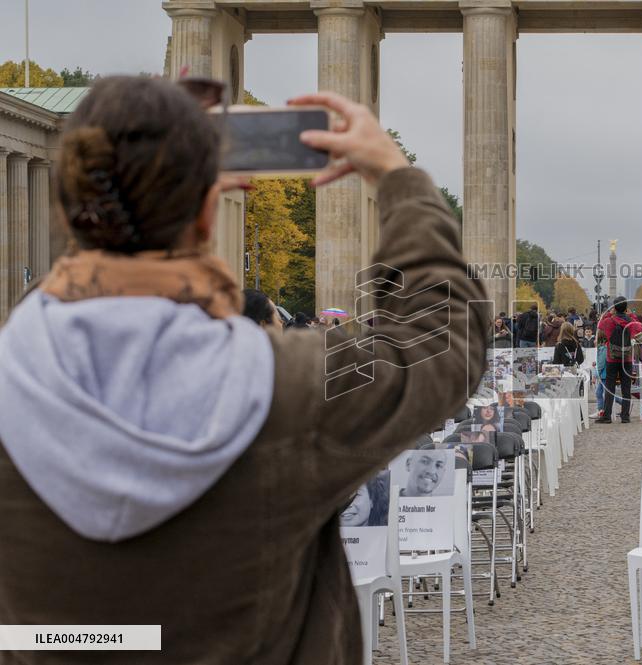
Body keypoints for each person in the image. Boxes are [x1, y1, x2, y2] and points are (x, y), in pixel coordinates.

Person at [0, 78, 488, 663]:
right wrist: (397, 179)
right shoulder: (297, 384)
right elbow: (442, 341)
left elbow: (51, 311)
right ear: (209, 213)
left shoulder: (15, 366)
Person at [596, 296, 639, 423]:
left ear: (614, 308)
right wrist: (631, 314)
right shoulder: (631, 321)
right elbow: (639, 327)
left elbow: (600, 323)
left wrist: (610, 312)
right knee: (626, 389)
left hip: (612, 358)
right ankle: (625, 416)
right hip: (626, 359)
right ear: (626, 308)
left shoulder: (609, 321)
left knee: (610, 388)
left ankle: (607, 416)